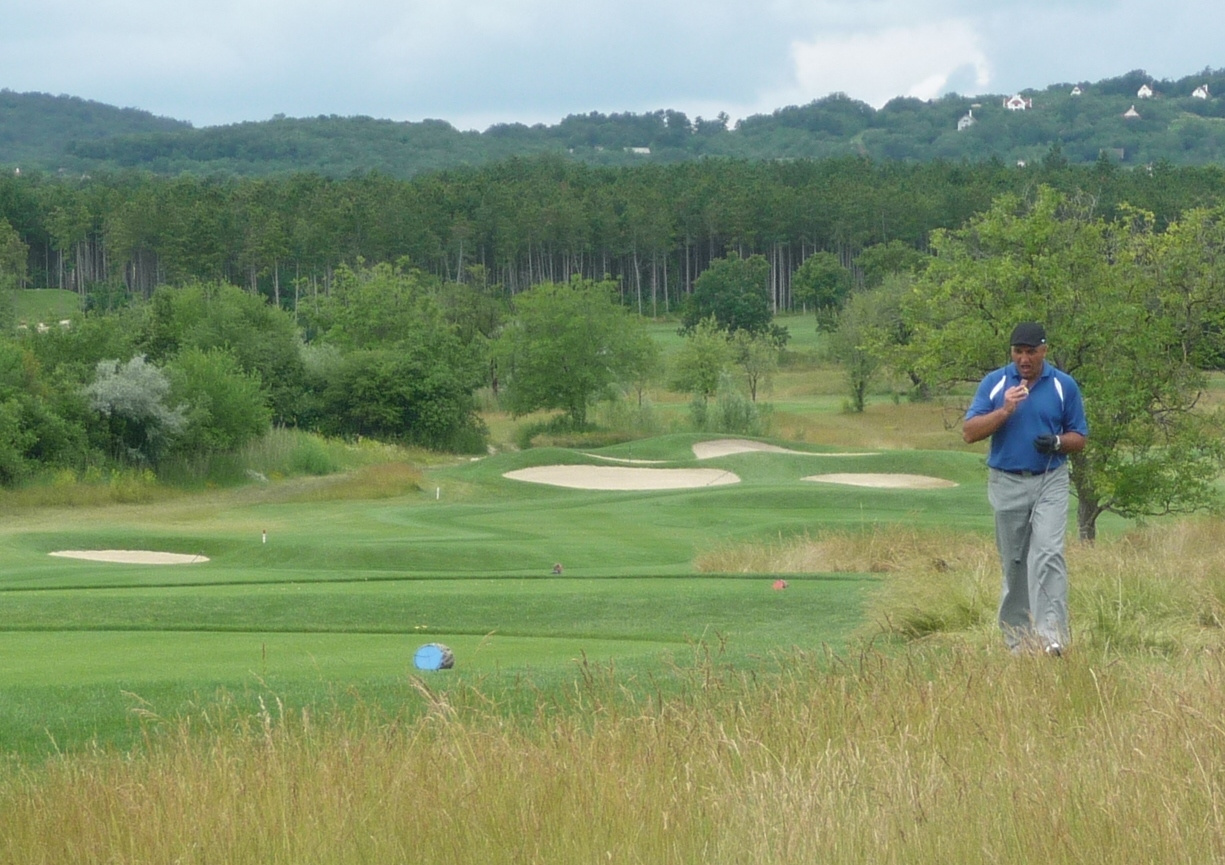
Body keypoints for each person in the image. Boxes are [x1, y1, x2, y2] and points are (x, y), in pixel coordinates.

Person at [963, 322, 1088, 656]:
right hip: (1006, 481)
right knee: (1015, 562)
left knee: (1048, 552)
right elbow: (970, 432)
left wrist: (1058, 442)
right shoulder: (995, 384)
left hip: (1050, 478)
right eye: (1018, 351)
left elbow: (1079, 437)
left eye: (1031, 351)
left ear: (1044, 351)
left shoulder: (1063, 386)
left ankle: (1051, 637)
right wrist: (1004, 410)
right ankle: (1018, 641)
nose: (1024, 358)